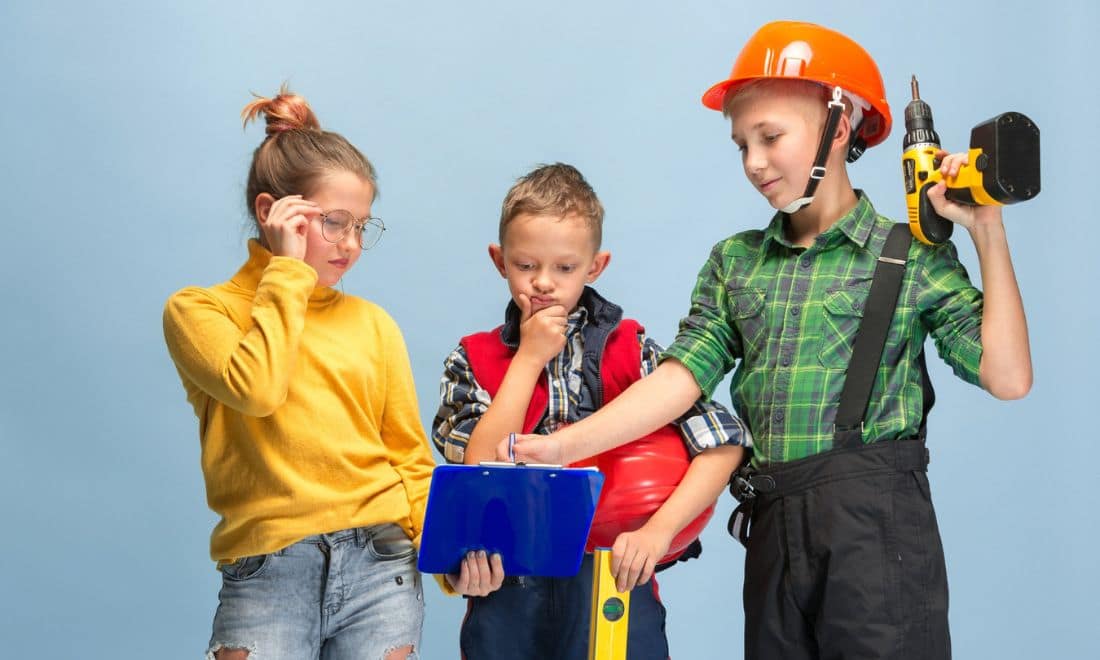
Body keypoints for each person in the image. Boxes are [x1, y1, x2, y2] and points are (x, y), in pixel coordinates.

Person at [502, 21, 1032, 659]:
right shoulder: (736, 263)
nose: (754, 162)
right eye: (741, 144)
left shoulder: (910, 255)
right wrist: (562, 447)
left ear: (839, 129)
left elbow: (1007, 377)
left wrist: (986, 232)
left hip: (877, 530)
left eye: (771, 137)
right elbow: (678, 380)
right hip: (774, 524)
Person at [432, 163, 750, 658]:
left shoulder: (635, 351)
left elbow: (724, 444)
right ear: (499, 260)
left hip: (613, 581)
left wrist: (657, 534)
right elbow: (477, 465)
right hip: (506, 588)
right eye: (525, 265)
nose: (543, 283)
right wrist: (528, 358)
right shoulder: (469, 359)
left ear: (595, 266)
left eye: (564, 268)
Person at [163, 86, 436, 660]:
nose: (352, 244)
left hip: (382, 563)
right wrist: (286, 270)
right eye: (334, 223)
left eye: (363, 225)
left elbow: (410, 458)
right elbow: (257, 389)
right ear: (273, 213)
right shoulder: (200, 311)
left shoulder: (374, 324)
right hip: (269, 571)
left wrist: (448, 558)